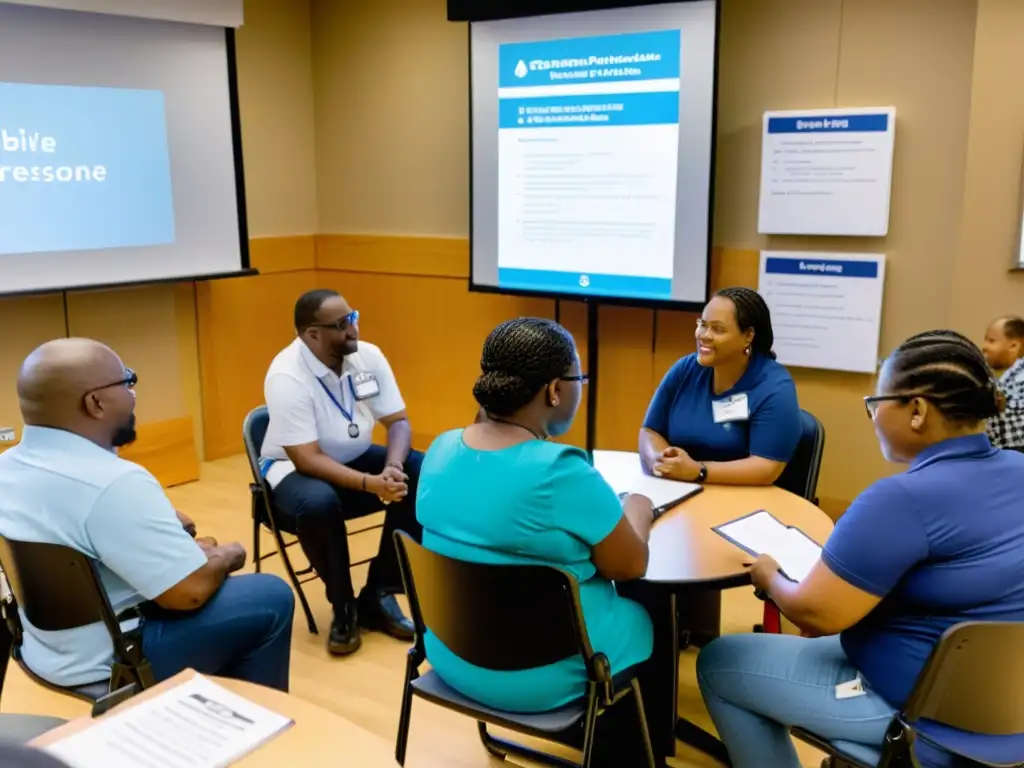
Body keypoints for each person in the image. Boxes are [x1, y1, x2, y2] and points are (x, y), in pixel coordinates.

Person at [696, 330, 1024, 768]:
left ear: (917, 411)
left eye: (877, 403)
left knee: (720, 663)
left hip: (919, 714)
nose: (872, 418)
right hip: (1008, 702)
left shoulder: (900, 499)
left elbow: (816, 614)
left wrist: (770, 577)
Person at [416, 318, 660, 765]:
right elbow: (630, 564)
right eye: (578, 380)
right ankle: (631, 753)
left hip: (450, 655)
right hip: (544, 680)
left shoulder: (439, 449)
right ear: (553, 391)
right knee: (648, 610)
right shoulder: (560, 471)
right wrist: (639, 507)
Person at [0, 339, 294, 692]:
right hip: (111, 662)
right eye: (127, 381)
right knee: (269, 596)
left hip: (44, 652)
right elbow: (189, 592)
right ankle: (253, 726)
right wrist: (227, 555)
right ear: (95, 403)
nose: (133, 393)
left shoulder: (8, 469)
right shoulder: (115, 483)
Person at [261, 289, 422, 656]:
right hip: (293, 467)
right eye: (341, 325)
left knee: (422, 471)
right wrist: (372, 484)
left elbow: (397, 422)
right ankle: (343, 606)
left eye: (353, 317)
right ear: (311, 334)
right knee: (319, 502)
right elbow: (307, 459)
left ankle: (379, 593)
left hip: (355, 454)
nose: (353, 330)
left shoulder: (367, 356)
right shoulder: (287, 375)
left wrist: (393, 468)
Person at [640, 286, 801, 486]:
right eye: (702, 324)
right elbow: (650, 431)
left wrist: (698, 471)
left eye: (718, 329)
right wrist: (659, 460)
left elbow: (767, 467)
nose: (703, 335)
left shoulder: (775, 386)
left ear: (748, 336)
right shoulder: (686, 369)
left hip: (744, 498)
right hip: (680, 490)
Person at [982, 315, 1024, 451]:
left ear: (1014, 345)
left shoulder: (1020, 379)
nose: (984, 346)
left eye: (991, 340)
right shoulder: (1004, 379)